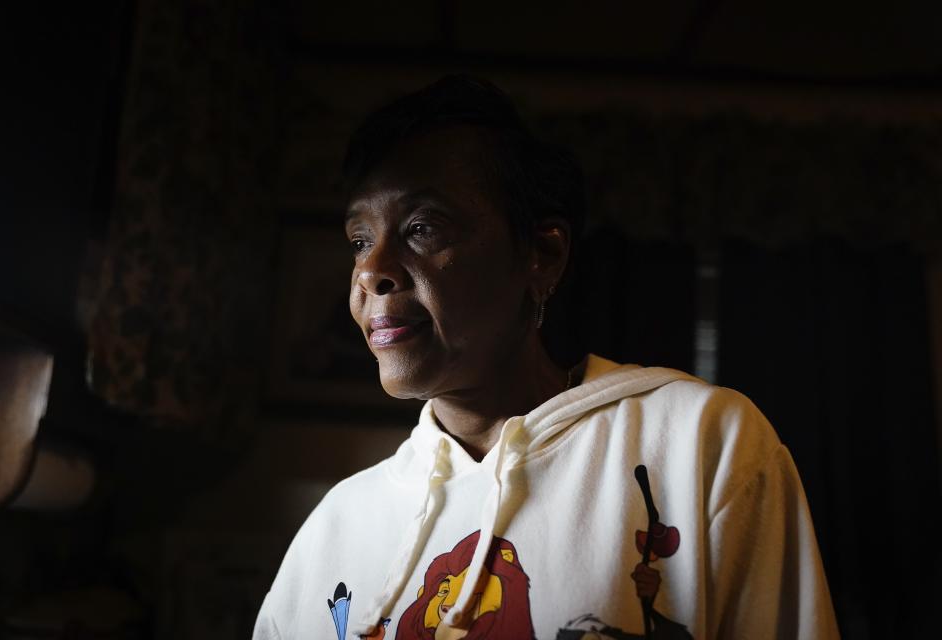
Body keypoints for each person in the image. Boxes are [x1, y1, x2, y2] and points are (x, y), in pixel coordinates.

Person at [253, 76, 839, 640]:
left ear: (542, 255)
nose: (371, 271)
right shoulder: (336, 527)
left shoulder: (700, 443)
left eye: (421, 227)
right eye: (359, 240)